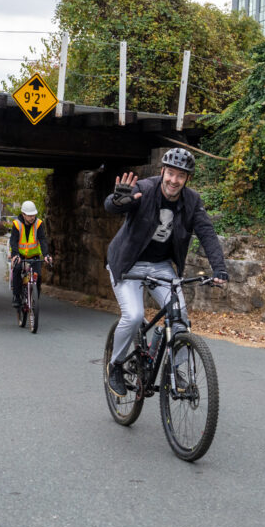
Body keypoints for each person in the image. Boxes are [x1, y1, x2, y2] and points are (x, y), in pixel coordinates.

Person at [103, 148, 228, 397]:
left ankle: (175, 368)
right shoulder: (145, 189)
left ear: (187, 179)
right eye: (170, 173)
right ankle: (115, 365)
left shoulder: (192, 201)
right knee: (135, 315)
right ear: (162, 172)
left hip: (160, 266)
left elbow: (207, 234)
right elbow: (113, 205)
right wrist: (118, 201)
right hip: (128, 263)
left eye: (180, 176)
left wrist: (220, 269)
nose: (174, 180)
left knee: (179, 317)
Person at [8, 200, 53, 307]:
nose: (32, 217)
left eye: (33, 215)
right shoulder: (17, 224)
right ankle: (16, 296)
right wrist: (15, 254)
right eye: (29, 215)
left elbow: (42, 239)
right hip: (20, 255)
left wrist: (46, 254)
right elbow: (13, 241)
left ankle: (35, 298)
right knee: (17, 269)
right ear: (23, 214)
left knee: (39, 276)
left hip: (34, 256)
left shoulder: (38, 224)